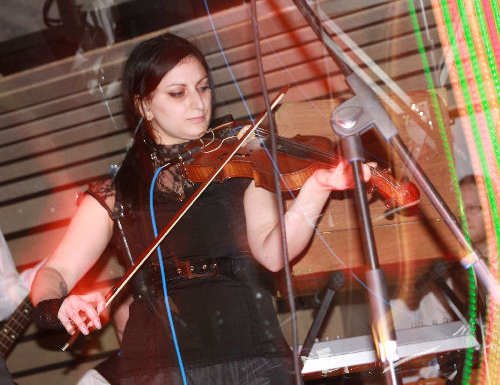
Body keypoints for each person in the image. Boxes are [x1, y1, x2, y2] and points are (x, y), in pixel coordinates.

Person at [30, 33, 370, 384]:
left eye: (203, 88)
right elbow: (53, 273)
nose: (198, 103)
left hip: (251, 354)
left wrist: (317, 187)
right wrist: (59, 306)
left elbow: (272, 254)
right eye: (178, 93)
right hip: (158, 368)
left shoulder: (242, 161)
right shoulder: (118, 192)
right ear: (144, 106)